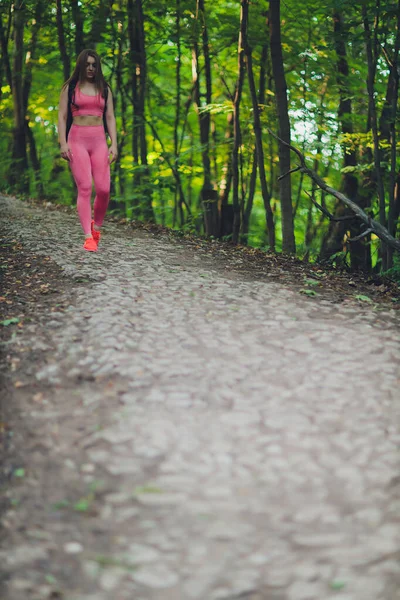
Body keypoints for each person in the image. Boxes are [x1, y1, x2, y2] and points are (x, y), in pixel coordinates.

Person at [58, 49, 117, 251]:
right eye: (87, 64)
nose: (91, 68)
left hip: (100, 142)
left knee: (104, 189)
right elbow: (62, 116)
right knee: (85, 188)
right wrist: (63, 143)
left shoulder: (105, 88)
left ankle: (97, 227)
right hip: (77, 141)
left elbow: (110, 117)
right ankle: (87, 237)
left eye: (94, 65)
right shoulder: (71, 87)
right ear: (81, 66)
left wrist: (114, 144)